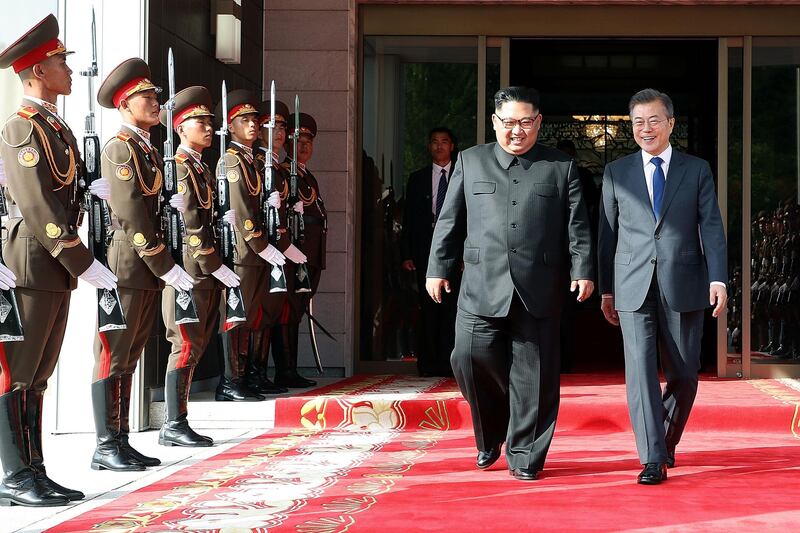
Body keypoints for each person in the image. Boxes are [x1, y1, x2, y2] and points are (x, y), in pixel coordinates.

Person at [426, 86, 594, 481]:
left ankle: (525, 456)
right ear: (494, 122)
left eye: (525, 122)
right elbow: (449, 221)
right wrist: (438, 267)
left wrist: (582, 269)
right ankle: (490, 435)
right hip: (481, 284)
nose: (516, 131)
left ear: (538, 123)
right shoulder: (471, 161)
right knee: (467, 357)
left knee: (533, 377)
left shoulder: (560, 166)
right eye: (508, 122)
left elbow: (578, 226)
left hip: (540, 286)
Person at [0, 14, 117, 506]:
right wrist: (82, 260)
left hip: (53, 268)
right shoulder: (22, 128)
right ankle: (14, 473)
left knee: (41, 373)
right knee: (20, 372)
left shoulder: (55, 125)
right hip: (34, 261)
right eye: (60, 63)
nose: (69, 70)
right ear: (36, 71)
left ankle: (35, 467)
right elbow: (40, 210)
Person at [597, 88, 727, 485]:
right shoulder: (617, 171)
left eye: (654, 120)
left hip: (684, 281)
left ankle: (665, 440)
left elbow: (712, 226)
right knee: (639, 373)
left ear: (671, 123)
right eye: (638, 122)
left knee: (686, 374)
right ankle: (652, 457)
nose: (646, 128)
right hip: (632, 285)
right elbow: (607, 233)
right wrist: (607, 289)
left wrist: (718, 277)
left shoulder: (697, 169)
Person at [93, 58, 193, 471]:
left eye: (155, 96)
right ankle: (105, 444)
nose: (156, 103)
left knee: (131, 353)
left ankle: (120, 438)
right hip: (130, 263)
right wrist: (162, 262)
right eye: (145, 98)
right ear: (124, 104)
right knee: (114, 353)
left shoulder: (147, 149)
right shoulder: (120, 148)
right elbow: (131, 211)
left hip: (145, 267)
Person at [158, 86, 240, 446]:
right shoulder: (179, 168)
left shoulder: (201, 169)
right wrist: (214, 264)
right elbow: (190, 225)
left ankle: (180, 419)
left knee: (198, 343)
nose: (208, 127)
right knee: (186, 343)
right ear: (180, 128)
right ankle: (173, 423)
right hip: (189, 272)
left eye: (209, 121)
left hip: (203, 273)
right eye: (199, 122)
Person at [214, 90, 286, 401]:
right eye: (244, 120)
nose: (253, 125)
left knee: (251, 315)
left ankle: (244, 377)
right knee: (236, 315)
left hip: (254, 254)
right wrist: (261, 244)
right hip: (243, 252)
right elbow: (242, 210)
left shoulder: (250, 160)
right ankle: (230, 381)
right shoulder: (231, 160)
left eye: (255, 120)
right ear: (231, 126)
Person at [253, 99, 307, 393]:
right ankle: (253, 373)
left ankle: (264, 373)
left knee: (275, 312)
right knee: (259, 315)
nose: (278, 132)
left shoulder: (279, 165)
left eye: (283, 127)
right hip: (265, 250)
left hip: (280, 249)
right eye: (270, 126)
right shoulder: (258, 162)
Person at [272, 112, 326, 389]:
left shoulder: (307, 176)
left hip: (309, 254)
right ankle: (285, 370)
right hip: (293, 253)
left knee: (297, 311)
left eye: (308, 142)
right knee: (287, 311)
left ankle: (290, 368)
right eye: (298, 140)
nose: (304, 147)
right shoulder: (283, 173)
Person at [401, 127, 459, 377]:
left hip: (456, 252)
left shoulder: (462, 175)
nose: (439, 146)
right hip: (425, 251)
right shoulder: (417, 178)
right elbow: (409, 220)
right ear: (429, 146)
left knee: (452, 308)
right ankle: (428, 363)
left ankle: (450, 363)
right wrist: (406, 254)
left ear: (452, 146)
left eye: (444, 142)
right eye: (434, 142)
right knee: (428, 308)